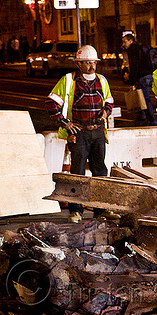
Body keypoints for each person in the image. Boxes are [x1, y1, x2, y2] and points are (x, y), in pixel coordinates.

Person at [45, 45, 121, 223]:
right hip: (79, 133)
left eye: (94, 62)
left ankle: (101, 210)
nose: (92, 66)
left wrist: (106, 112)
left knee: (100, 171)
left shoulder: (102, 80)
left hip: (98, 132)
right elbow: (51, 103)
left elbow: (109, 101)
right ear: (79, 63)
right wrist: (65, 123)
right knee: (78, 172)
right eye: (88, 63)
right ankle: (76, 210)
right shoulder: (69, 80)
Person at [121, 31, 157, 126]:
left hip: (143, 77)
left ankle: (153, 120)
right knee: (140, 97)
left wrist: (132, 81)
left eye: (125, 42)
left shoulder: (132, 49)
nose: (124, 44)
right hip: (150, 74)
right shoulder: (141, 47)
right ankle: (141, 115)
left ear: (130, 41)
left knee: (145, 99)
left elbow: (134, 67)